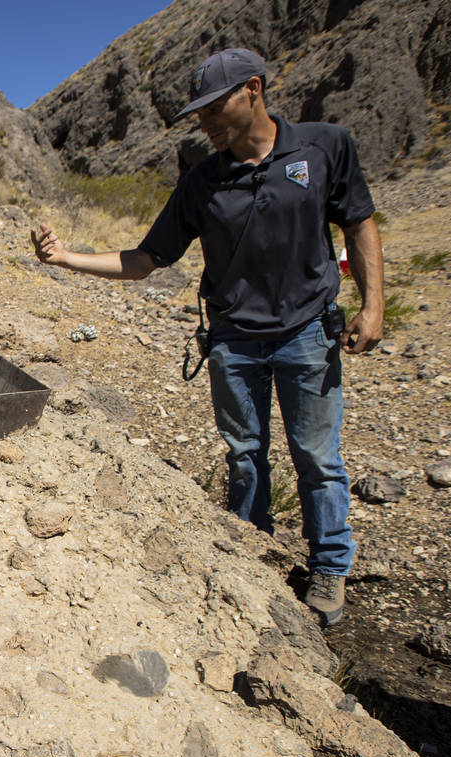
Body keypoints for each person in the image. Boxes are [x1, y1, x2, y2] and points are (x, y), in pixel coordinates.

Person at [30, 48, 384, 627]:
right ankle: (254, 552)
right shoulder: (202, 181)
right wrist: (66, 257)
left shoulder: (324, 146)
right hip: (234, 342)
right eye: (199, 115)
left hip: (306, 334)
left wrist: (374, 305)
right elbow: (147, 258)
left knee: (317, 458)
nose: (206, 123)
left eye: (214, 108)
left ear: (253, 89)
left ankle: (329, 567)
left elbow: (359, 220)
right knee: (246, 456)